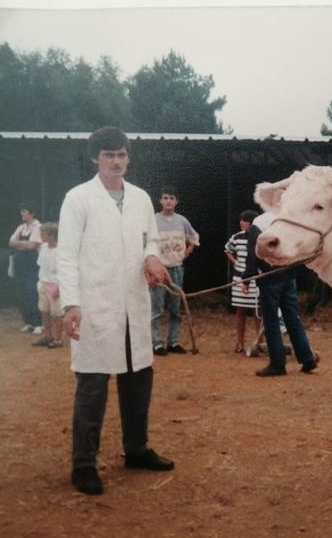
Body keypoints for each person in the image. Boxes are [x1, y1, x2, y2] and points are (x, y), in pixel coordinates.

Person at [57, 126, 174, 496]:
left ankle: (136, 449)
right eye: (109, 155)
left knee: (138, 379)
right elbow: (67, 255)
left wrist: (152, 257)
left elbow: (149, 239)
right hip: (96, 307)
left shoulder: (140, 198)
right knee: (92, 386)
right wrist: (72, 303)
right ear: (96, 158)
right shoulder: (78, 199)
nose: (117, 161)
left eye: (122, 154)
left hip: (134, 304)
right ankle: (83, 464)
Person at [243, 211, 319, 377]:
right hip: (289, 276)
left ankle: (277, 364)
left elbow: (253, 253)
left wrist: (247, 279)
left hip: (270, 279)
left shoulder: (260, 222)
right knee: (293, 318)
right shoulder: (289, 218)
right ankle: (307, 359)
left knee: (271, 322)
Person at [150, 186, 200, 356]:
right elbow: (144, 242)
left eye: (171, 198)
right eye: (165, 198)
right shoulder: (153, 220)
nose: (168, 201)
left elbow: (194, 236)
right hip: (159, 269)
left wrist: (188, 249)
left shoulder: (182, 220)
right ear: (160, 201)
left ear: (176, 201)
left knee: (175, 307)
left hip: (177, 268)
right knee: (156, 308)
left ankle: (173, 342)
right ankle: (157, 343)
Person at [224, 209, 261, 354]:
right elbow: (227, 249)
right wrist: (236, 262)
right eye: (241, 220)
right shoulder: (236, 237)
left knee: (258, 312)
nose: (241, 222)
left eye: (244, 220)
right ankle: (240, 342)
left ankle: (260, 341)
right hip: (239, 279)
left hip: (256, 279)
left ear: (252, 223)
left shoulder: (260, 237)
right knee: (240, 311)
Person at [9, 202, 43, 334]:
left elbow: (32, 246)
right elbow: (11, 242)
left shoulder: (37, 226)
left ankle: (38, 323)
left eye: (24, 211)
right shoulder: (21, 227)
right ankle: (28, 322)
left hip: (32, 264)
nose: (21, 214)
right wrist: (23, 244)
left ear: (32, 213)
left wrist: (20, 244)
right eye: (21, 211)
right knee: (21, 292)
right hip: (20, 264)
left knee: (32, 291)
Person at [32, 222, 64, 348]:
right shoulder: (43, 248)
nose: (41, 235)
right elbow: (42, 266)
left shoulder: (61, 250)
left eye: (43, 233)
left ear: (52, 235)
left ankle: (57, 339)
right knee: (44, 312)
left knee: (57, 314)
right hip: (43, 282)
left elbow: (64, 270)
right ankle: (47, 336)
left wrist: (59, 287)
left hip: (55, 284)